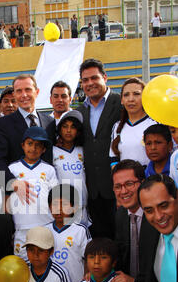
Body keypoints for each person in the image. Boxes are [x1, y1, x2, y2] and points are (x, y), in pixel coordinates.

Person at [0, 74, 55, 199]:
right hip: (16, 196)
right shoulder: (2, 124)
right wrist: (12, 183)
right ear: (14, 95)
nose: (24, 95)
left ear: (37, 92)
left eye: (28, 90)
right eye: (19, 91)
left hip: (45, 195)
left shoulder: (50, 122)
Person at [77, 58, 122, 239]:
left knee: (123, 238)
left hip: (119, 188)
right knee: (101, 241)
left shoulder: (121, 103)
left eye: (94, 78)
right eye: (85, 80)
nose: (90, 83)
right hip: (93, 191)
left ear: (105, 77)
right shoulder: (80, 111)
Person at [7, 126, 58, 259]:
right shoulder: (11, 169)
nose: (33, 148)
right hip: (21, 227)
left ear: (44, 149)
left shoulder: (49, 170)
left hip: (45, 225)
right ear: (22, 145)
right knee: (22, 267)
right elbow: (4, 198)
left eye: (38, 145)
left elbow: (55, 198)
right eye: (30, 144)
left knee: (44, 263)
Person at [112, 159, 154, 282]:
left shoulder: (156, 216)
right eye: (118, 186)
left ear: (142, 183)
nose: (123, 191)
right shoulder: (120, 215)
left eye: (129, 184)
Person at [47, 183, 91, 282]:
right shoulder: (45, 230)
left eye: (64, 204)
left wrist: (86, 279)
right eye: (55, 204)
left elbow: (88, 258)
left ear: (74, 207)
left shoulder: (80, 230)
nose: (59, 209)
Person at [53, 110, 89, 226]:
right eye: (65, 126)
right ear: (59, 129)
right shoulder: (53, 152)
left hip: (83, 206)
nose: (68, 130)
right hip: (64, 208)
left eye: (73, 127)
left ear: (78, 131)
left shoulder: (82, 150)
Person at [110, 77, 156, 168]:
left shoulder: (155, 124)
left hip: (150, 180)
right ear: (122, 100)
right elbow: (113, 159)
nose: (131, 99)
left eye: (136, 94)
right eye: (126, 95)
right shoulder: (117, 127)